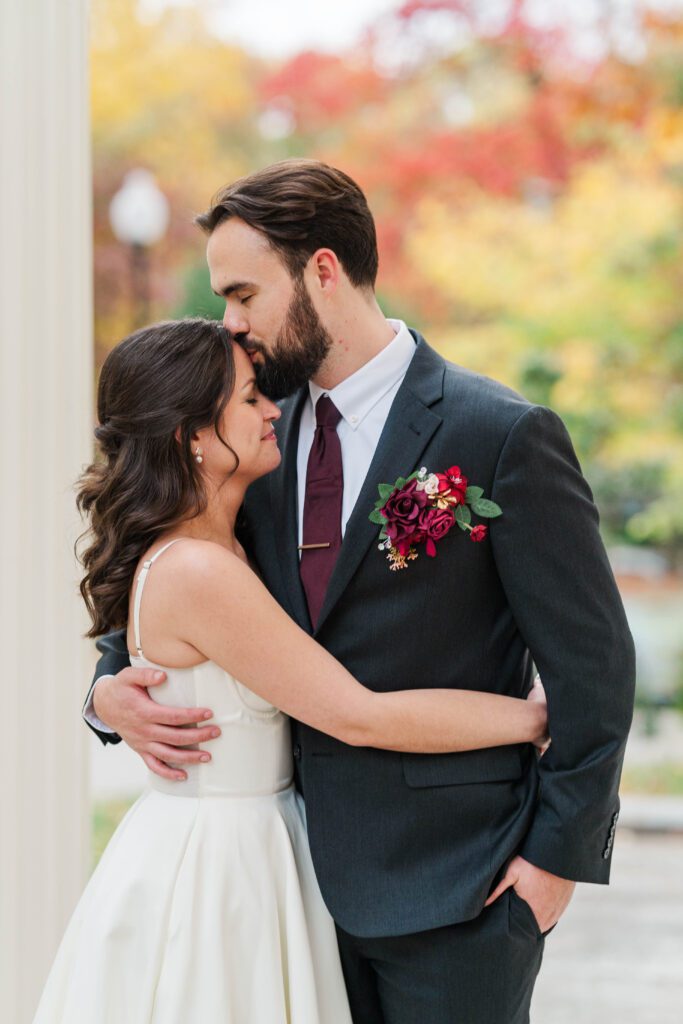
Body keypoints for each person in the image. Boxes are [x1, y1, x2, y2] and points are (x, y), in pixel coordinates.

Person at [85, 160, 636, 1024]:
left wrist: (553, 864)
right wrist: (106, 691)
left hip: (463, 890)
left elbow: (593, 665)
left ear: (322, 272)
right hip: (285, 888)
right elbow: (176, 579)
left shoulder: (497, 434)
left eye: (242, 294)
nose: (231, 323)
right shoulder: (248, 433)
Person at [36, 318, 549, 1023]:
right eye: (249, 399)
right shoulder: (196, 568)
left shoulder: (235, 532)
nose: (273, 408)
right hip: (221, 869)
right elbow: (354, 712)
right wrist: (537, 719)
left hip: (279, 848)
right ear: (190, 435)